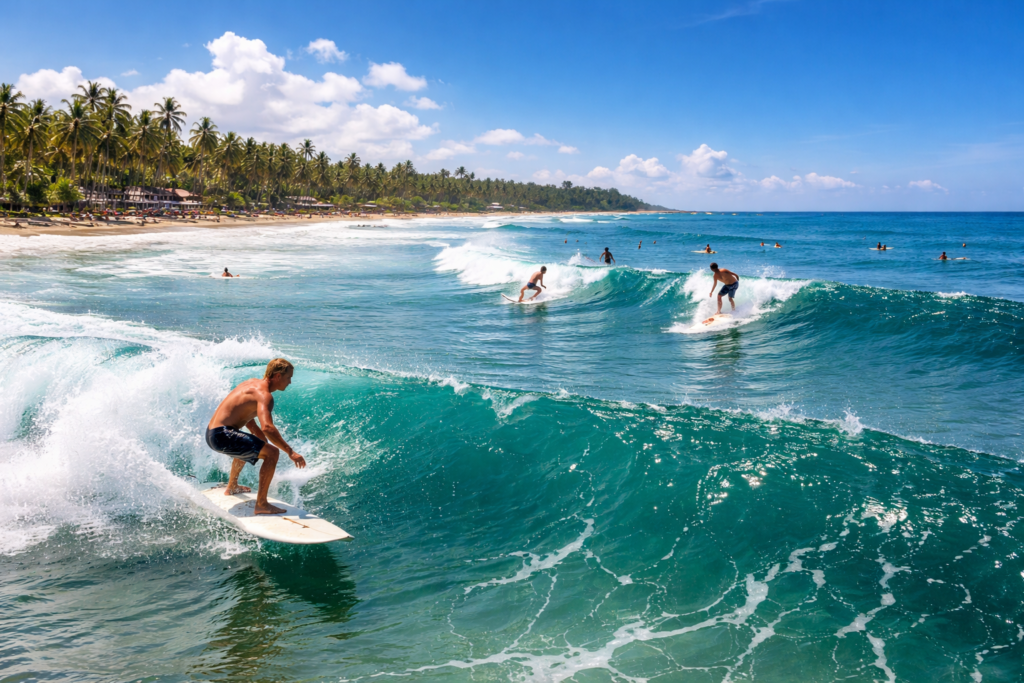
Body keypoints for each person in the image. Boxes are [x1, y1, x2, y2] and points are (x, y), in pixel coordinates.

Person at [206, 358, 306, 515]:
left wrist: (257, 436)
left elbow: (245, 413)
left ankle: (232, 486)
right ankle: (261, 505)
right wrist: (290, 452)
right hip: (222, 435)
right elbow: (267, 427)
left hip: (212, 433)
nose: (290, 382)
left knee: (250, 443)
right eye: (288, 378)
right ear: (278, 376)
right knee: (273, 453)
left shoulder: (251, 383)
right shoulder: (265, 396)